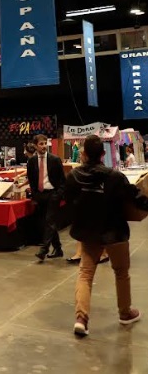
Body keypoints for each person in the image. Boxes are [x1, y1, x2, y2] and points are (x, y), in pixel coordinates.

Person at [65, 134, 146, 336]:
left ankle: (81, 319)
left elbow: (68, 200)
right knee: (121, 273)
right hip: (115, 232)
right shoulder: (115, 177)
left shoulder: (74, 177)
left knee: (85, 274)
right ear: (103, 154)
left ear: (83, 154)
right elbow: (136, 199)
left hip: (89, 233)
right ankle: (125, 313)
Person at [27, 134, 66, 261]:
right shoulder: (31, 161)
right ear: (35, 145)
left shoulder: (55, 159)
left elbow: (62, 180)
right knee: (48, 223)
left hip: (53, 194)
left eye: (45, 143)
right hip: (40, 195)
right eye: (41, 144)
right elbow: (32, 180)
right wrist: (35, 195)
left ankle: (44, 249)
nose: (44, 146)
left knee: (49, 221)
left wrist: (59, 194)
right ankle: (58, 249)